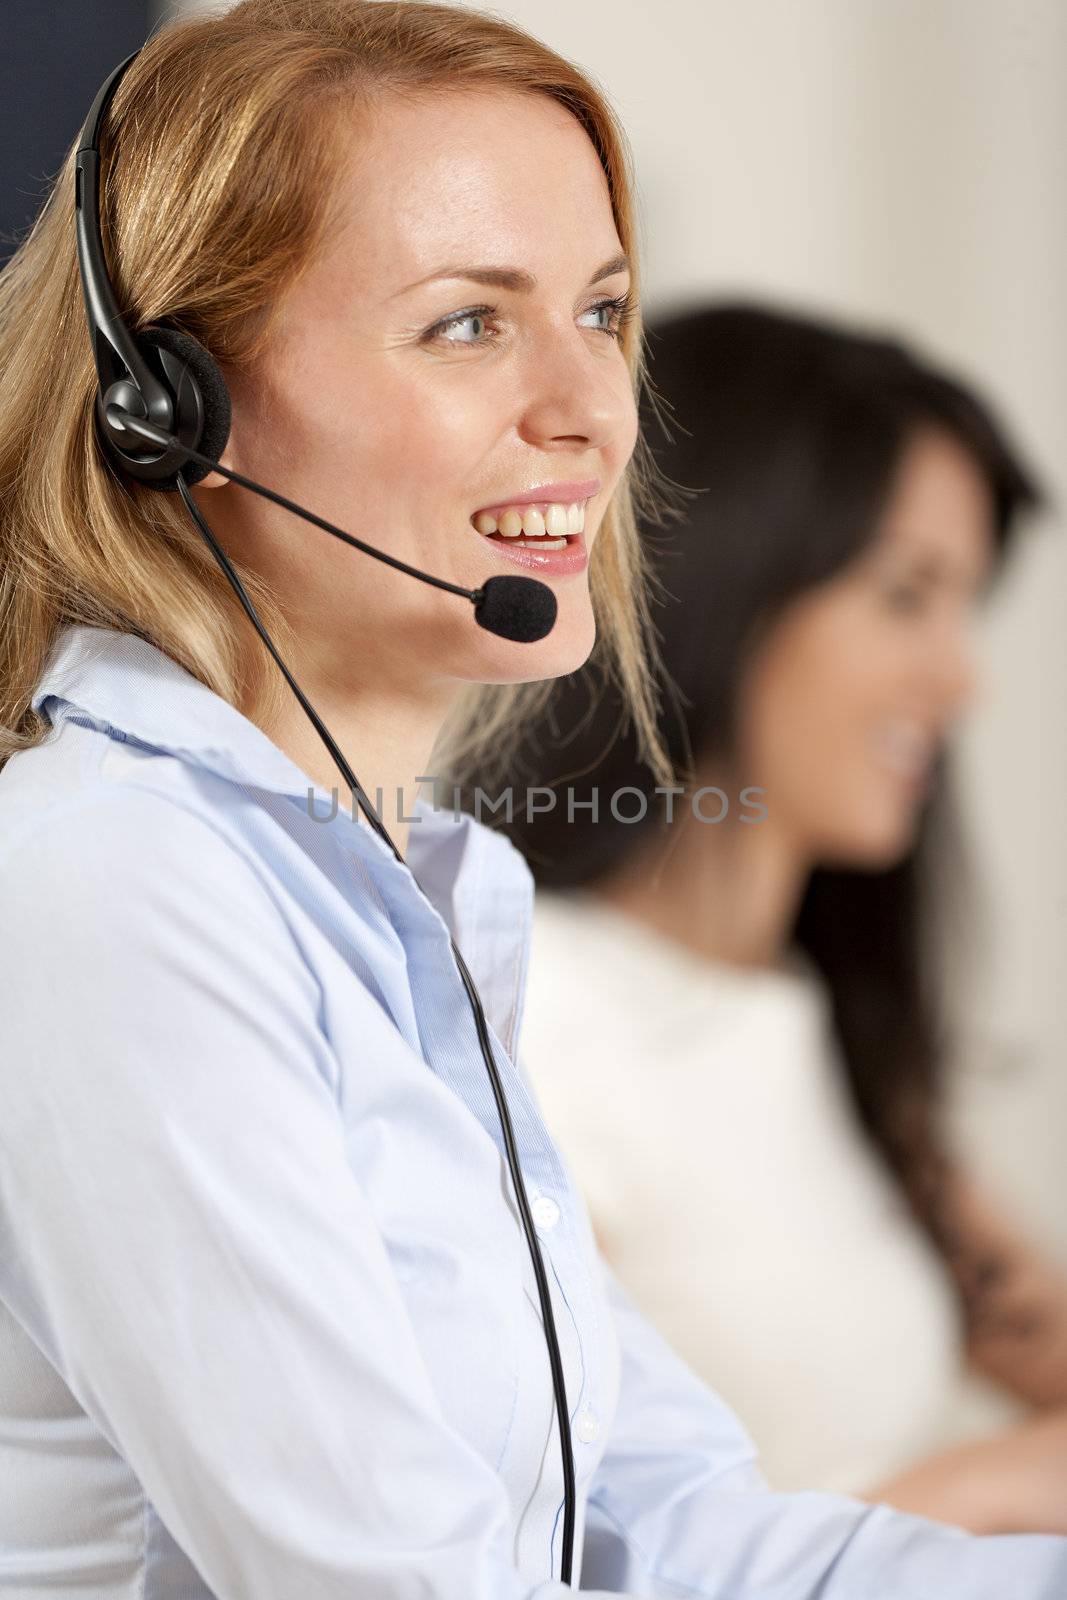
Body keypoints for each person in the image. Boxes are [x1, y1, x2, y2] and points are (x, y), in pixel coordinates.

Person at [0, 4, 1063, 1593]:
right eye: (466, 325)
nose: (590, 406)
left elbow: (669, 1528)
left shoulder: (424, 904)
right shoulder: (117, 883)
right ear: (179, 408)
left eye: (602, 309)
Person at [503, 302, 1067, 1537]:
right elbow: (538, 1556)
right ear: (729, 575)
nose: (959, 676)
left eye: (963, 601)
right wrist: (969, 1503)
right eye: (905, 593)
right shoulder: (533, 1019)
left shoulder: (810, 1024)